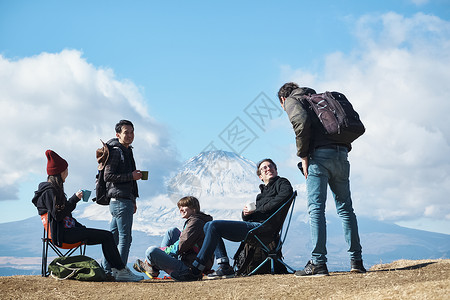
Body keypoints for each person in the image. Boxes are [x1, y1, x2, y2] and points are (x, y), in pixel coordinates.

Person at [278, 82, 366, 276]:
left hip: (319, 158)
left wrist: (303, 156)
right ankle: (357, 262)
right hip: (341, 155)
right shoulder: (319, 100)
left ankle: (319, 263)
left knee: (316, 209)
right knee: (345, 209)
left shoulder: (294, 101)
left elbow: (300, 123)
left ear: (283, 100)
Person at [171, 158, 294, 281]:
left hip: (265, 228)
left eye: (271, 166)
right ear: (260, 176)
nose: (268, 169)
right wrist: (246, 213)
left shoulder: (282, 183)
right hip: (256, 227)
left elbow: (285, 195)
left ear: (276, 170)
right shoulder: (261, 195)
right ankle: (223, 265)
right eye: (264, 168)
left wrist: (256, 210)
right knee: (209, 225)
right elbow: (255, 215)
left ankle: (196, 269)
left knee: (213, 226)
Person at [32, 150, 143, 282]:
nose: (67, 173)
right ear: (59, 172)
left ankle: (116, 270)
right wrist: (74, 199)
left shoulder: (48, 190)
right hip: (63, 235)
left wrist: (75, 205)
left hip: (64, 232)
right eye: (66, 170)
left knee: (106, 236)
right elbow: (58, 215)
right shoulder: (50, 192)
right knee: (107, 236)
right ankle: (120, 270)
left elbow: (60, 213)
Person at [132, 196, 214, 278]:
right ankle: (154, 266)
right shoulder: (198, 220)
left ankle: (153, 266)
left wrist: (162, 251)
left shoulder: (195, 223)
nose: (180, 210)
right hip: (194, 261)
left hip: (190, 268)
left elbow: (181, 245)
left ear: (194, 208)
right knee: (172, 231)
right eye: (179, 207)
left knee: (151, 251)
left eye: (184, 206)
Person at [102, 119, 143, 276]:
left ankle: (107, 270)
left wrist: (133, 200)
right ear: (118, 134)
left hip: (122, 200)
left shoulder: (126, 151)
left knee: (112, 238)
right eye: (126, 132)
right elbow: (108, 175)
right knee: (125, 238)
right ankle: (120, 271)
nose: (130, 135)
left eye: (132, 132)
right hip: (120, 200)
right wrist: (131, 176)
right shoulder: (116, 151)